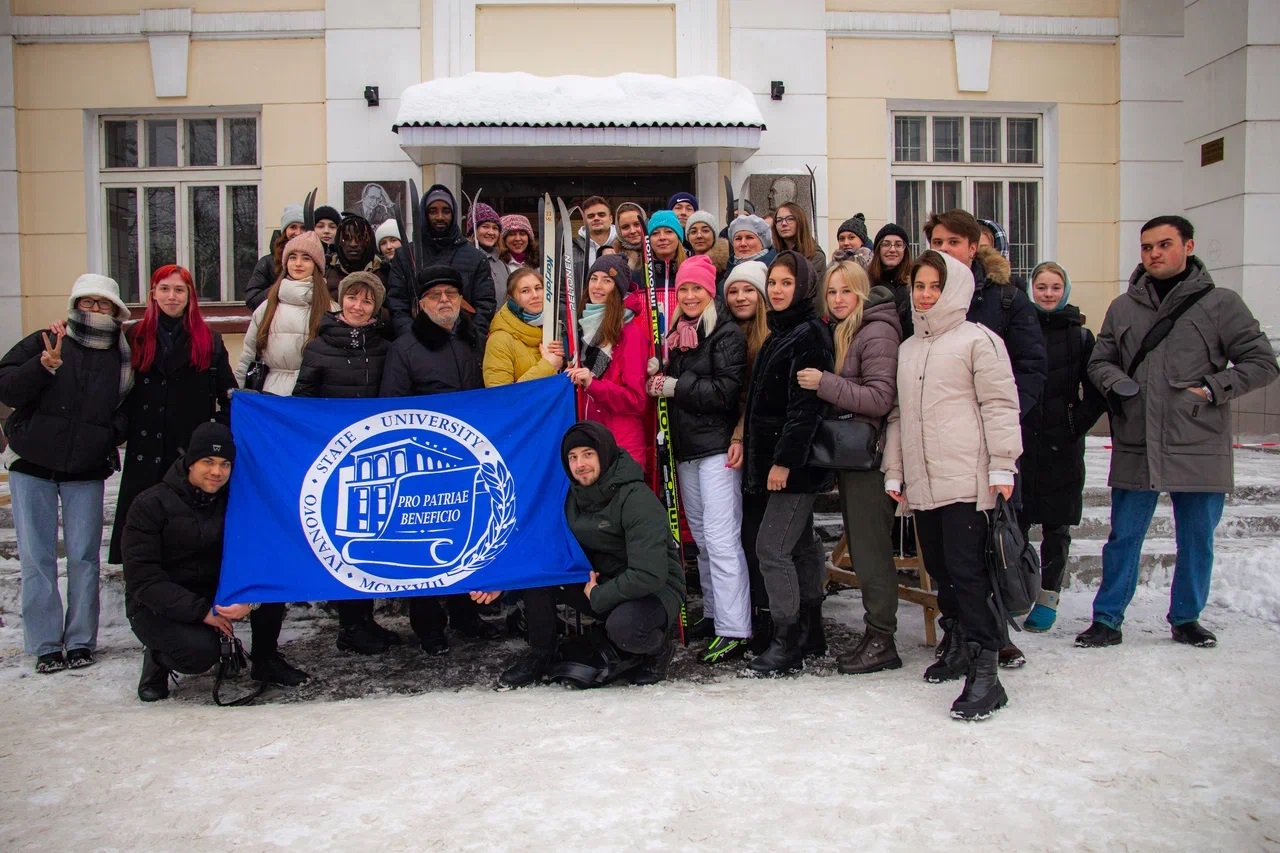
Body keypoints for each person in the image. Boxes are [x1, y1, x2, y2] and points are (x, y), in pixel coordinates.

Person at [1079, 215, 1279, 649]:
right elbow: (1099, 360)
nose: (1154, 254)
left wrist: (1212, 388)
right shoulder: (1123, 307)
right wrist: (1116, 382)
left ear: (1188, 246)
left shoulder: (1221, 303)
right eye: (1147, 246)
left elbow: (1262, 362)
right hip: (1137, 440)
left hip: (1199, 440)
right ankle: (1107, 618)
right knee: (1124, 537)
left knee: (1196, 539)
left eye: (1165, 244)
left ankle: (1187, 617)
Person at [883, 250, 1021, 721]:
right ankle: (958, 642)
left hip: (967, 478)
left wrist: (1003, 465)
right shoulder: (908, 348)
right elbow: (899, 414)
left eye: (934, 286)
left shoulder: (979, 340)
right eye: (919, 286)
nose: (925, 295)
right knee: (941, 567)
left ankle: (987, 669)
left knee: (968, 572)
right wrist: (895, 469)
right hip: (923, 480)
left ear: (956, 288)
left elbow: (1000, 404)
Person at [925, 208, 1046, 668]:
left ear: (974, 247)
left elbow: (1030, 371)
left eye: (953, 241)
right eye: (936, 241)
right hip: (941, 451)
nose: (944, 249)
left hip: (990, 448)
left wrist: (999, 434)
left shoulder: (1005, 299)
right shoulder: (923, 299)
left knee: (989, 550)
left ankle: (996, 638)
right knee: (947, 555)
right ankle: (959, 634)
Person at [0, 274, 132, 673]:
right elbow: (7, 388)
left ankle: (79, 641)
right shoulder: (47, 340)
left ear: (115, 310)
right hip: (32, 464)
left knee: (83, 557)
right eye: (88, 303)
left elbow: (129, 407)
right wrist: (41, 367)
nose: (95, 310)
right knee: (37, 557)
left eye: (103, 304)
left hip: (86, 469)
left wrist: (106, 437)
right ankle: (43, 643)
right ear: (75, 305)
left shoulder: (122, 355)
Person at [493, 421, 686, 689]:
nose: (580, 464)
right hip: (602, 581)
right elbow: (539, 545)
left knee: (624, 629)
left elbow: (649, 574)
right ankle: (541, 654)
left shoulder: (636, 499)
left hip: (654, 589)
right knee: (542, 574)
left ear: (604, 454)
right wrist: (500, 586)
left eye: (587, 454)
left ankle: (657, 648)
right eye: (572, 457)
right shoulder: (573, 495)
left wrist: (599, 596)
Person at [123, 423, 307, 701]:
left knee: (272, 580)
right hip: (157, 602)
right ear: (189, 462)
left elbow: (264, 557)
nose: (216, 472)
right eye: (207, 462)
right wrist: (203, 613)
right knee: (199, 653)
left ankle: (266, 659)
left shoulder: (238, 501)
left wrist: (250, 599)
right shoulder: (150, 504)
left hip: (215, 592)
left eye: (225, 464)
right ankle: (157, 658)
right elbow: (144, 580)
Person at [380, 265, 504, 651]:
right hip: (426, 464)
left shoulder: (471, 339)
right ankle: (428, 625)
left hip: (467, 459)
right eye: (436, 296)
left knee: (465, 535)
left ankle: (466, 615)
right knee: (424, 541)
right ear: (421, 304)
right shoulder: (406, 347)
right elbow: (392, 407)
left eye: (451, 294)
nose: (445, 301)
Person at [797, 260, 903, 674]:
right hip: (855, 456)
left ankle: (882, 639)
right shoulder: (850, 328)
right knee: (862, 547)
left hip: (872, 460)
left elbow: (879, 398)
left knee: (871, 550)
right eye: (832, 292)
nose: (839, 299)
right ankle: (878, 635)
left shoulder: (876, 331)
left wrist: (824, 382)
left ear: (861, 293)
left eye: (847, 292)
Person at [646, 255, 750, 664]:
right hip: (687, 450)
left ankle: (736, 627)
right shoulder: (680, 335)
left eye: (698, 290)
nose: (690, 295)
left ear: (711, 293)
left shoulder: (725, 335)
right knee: (704, 541)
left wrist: (674, 384)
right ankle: (716, 612)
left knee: (723, 541)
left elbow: (725, 392)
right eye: (684, 289)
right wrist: (660, 368)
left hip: (717, 450)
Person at [293, 272, 399, 654]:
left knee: (368, 538)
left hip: (374, 458)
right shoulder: (318, 348)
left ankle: (364, 620)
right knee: (344, 538)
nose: (358, 306)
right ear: (341, 301)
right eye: (352, 298)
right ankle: (350, 625)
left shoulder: (386, 347)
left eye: (367, 301)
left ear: (376, 307)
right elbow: (301, 403)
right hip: (335, 461)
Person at [742, 251, 834, 676]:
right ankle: (810, 630)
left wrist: (784, 463)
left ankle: (786, 639)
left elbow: (805, 408)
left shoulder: (808, 334)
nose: (777, 290)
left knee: (771, 547)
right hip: (773, 460)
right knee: (798, 546)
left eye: (786, 283)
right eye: (773, 283)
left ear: (803, 287)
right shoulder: (782, 331)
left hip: (792, 467)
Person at [108, 265, 236, 567]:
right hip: (145, 449)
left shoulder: (209, 341)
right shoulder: (134, 336)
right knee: (144, 532)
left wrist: (212, 435)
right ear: (153, 294)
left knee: (187, 536)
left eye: (179, 290)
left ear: (190, 296)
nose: (172, 296)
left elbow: (230, 398)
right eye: (164, 289)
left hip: (188, 453)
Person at [1014, 262, 1109, 632]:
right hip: (1022, 443)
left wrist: (1075, 423)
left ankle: (1048, 596)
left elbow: (1097, 388)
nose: (1048, 294)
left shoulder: (1080, 336)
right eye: (1041, 287)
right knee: (1016, 523)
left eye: (1055, 287)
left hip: (1061, 446)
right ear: (1032, 290)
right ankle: (1018, 588)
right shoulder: (1020, 330)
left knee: (1056, 527)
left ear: (1065, 291)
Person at [567, 254, 655, 484]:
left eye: (606, 280)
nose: (597, 286)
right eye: (594, 278)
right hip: (589, 445)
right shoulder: (581, 330)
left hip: (621, 446)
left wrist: (593, 385)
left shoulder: (630, 334)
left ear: (617, 289)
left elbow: (636, 400)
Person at [721, 260, 772, 650]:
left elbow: (754, 400)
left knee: (761, 537)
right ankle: (752, 611)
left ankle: (770, 616)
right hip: (734, 447)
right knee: (741, 533)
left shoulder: (768, 336)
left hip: (761, 447)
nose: (740, 297)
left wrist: (740, 433)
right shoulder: (724, 333)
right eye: (734, 291)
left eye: (748, 290)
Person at [386, 184, 496, 339]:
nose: (439, 216)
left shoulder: (475, 257)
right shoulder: (405, 255)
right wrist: (411, 336)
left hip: (462, 342)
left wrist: (470, 336)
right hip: (417, 343)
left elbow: (485, 303)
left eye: (446, 211)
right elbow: (397, 302)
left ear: (454, 213)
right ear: (424, 214)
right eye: (433, 211)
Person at [235, 231, 334, 396]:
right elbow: (248, 355)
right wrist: (237, 394)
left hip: (313, 397)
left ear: (317, 265)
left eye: (306, 258)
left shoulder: (330, 309)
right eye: (293, 257)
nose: (298, 263)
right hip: (271, 395)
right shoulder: (267, 307)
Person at [483, 267, 566, 387]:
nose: (535, 295)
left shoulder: (555, 328)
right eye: (525, 291)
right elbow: (500, 396)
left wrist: (565, 357)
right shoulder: (499, 340)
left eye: (538, 288)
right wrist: (548, 366)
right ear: (511, 298)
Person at [244, 203, 305, 311]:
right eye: (293, 227)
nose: (298, 233)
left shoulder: (317, 260)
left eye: (303, 228)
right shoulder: (267, 262)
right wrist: (281, 289)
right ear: (284, 230)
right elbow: (252, 300)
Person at [771, 202, 828, 311]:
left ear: (800, 222)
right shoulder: (775, 256)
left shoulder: (815, 256)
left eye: (790, 219)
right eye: (779, 220)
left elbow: (802, 293)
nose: (784, 223)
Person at [325, 211, 387, 305]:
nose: (353, 244)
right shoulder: (327, 270)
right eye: (346, 238)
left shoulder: (384, 271)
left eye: (360, 238)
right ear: (339, 242)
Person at [868, 223, 914, 335]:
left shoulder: (915, 283)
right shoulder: (866, 282)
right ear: (878, 249)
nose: (892, 249)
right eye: (886, 244)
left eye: (898, 245)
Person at [646, 210, 686, 337]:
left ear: (678, 237)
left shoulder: (691, 274)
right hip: (649, 355)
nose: (662, 237)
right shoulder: (638, 277)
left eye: (669, 232)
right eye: (655, 233)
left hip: (684, 353)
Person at [465, 201, 508, 306]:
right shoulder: (465, 259)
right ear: (473, 231)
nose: (491, 232)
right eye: (485, 226)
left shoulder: (501, 264)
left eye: (495, 228)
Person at [574, 196, 617, 280]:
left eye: (601, 215)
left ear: (611, 219)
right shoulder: (573, 248)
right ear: (584, 221)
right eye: (591, 216)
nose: (596, 218)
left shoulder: (623, 244)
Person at [684, 211, 730, 285]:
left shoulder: (728, 267)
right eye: (693, 231)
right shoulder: (682, 265)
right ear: (688, 237)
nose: (699, 235)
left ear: (714, 235)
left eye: (705, 231)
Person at [613, 202, 648, 274]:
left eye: (637, 224)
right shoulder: (613, 254)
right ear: (618, 230)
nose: (632, 231)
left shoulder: (657, 250)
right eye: (625, 227)